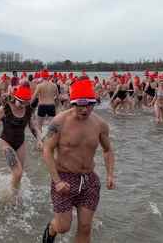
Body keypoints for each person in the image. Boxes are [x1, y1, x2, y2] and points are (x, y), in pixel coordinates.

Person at [41, 78, 115, 243]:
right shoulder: (59, 122)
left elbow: (108, 149)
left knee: (85, 227)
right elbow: (47, 150)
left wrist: (110, 174)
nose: (85, 109)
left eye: (90, 105)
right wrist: (57, 181)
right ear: (72, 103)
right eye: (81, 105)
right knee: (63, 227)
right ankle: (51, 229)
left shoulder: (100, 124)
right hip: (64, 178)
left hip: (89, 180)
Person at [0, 83, 38, 202]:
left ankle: (14, 192)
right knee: (18, 172)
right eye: (21, 102)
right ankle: (12, 198)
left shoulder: (28, 109)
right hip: (6, 141)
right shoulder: (4, 108)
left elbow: (32, 126)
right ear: (15, 98)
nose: (23, 106)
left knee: (19, 174)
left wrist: (39, 139)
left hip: (20, 142)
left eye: (26, 103)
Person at [31, 70, 58, 134]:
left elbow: (34, 97)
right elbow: (57, 97)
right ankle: (50, 139)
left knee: (39, 125)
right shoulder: (54, 85)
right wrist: (56, 105)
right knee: (52, 125)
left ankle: (40, 140)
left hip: (42, 105)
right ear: (48, 77)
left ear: (42, 77)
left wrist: (29, 105)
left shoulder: (39, 86)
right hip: (51, 105)